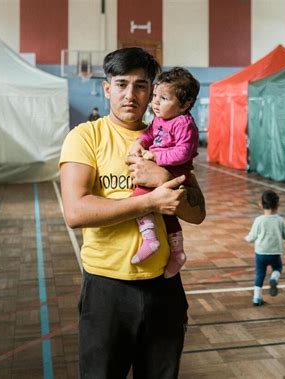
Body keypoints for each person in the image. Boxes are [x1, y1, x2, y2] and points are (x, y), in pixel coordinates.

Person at [59, 47, 205, 379]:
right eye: (122, 84)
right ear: (107, 88)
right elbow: (76, 211)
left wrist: (164, 179)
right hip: (107, 290)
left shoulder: (167, 136)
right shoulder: (86, 137)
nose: (131, 94)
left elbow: (197, 213)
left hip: (164, 287)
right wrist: (149, 202)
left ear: (152, 90)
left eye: (141, 85)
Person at [128, 67, 200, 281]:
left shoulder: (184, 123)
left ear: (185, 105)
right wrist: (139, 142)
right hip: (162, 167)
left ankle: (149, 238)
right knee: (167, 213)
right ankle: (177, 253)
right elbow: (149, 135)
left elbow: (183, 152)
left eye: (164, 98)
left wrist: (155, 157)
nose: (155, 103)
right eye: (155, 97)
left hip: (175, 170)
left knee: (140, 195)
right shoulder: (160, 120)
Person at [245, 190, 285, 306]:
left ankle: (256, 298)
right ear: (278, 205)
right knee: (278, 267)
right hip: (275, 252)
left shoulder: (258, 220)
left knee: (260, 274)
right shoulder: (280, 220)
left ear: (261, 204)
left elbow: (252, 236)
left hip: (260, 253)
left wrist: (247, 238)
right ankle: (274, 278)